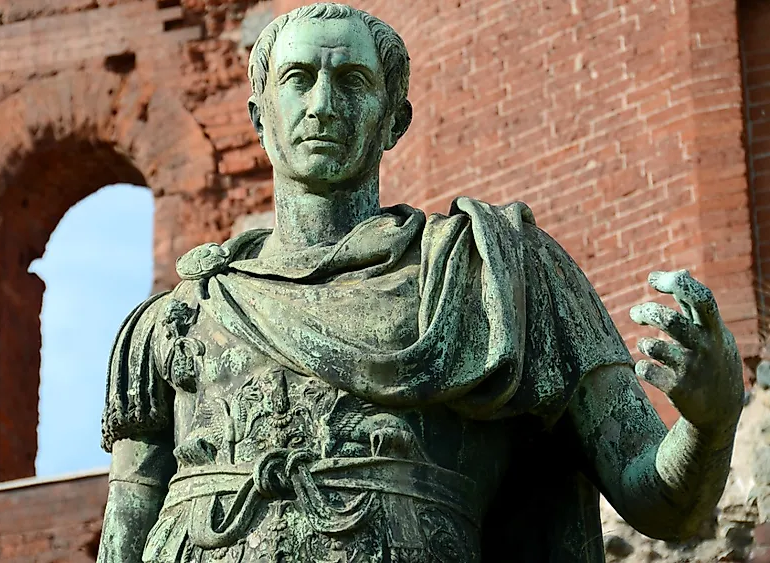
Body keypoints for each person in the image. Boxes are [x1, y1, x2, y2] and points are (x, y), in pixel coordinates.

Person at [97, 4, 744, 562]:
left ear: (393, 120)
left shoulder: (494, 277)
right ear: (259, 115)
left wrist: (709, 418)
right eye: (298, 79)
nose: (322, 104)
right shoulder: (176, 318)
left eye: (350, 80)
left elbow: (661, 503)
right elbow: (123, 534)